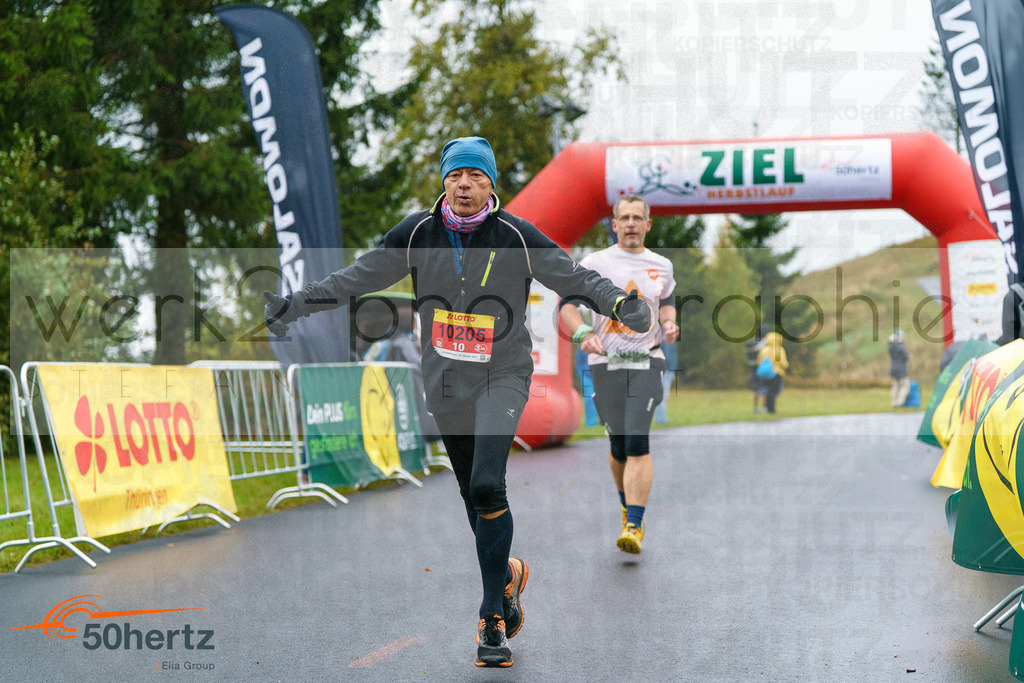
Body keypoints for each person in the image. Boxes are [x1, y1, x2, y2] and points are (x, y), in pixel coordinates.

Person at [262, 136, 650, 668]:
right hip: (446, 381)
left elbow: (571, 276)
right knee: (474, 498)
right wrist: (297, 304)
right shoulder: (419, 232)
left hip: (503, 374)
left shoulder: (514, 234)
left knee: (490, 484)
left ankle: (492, 617)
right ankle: (508, 575)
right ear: (444, 182)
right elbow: (361, 275)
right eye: (454, 175)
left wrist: (620, 303)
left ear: (491, 184)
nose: (463, 184)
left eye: (475, 176)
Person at [558, 194, 678, 555]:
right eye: (623, 218)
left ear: (647, 224)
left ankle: (634, 524)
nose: (629, 224)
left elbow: (668, 301)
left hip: (647, 360)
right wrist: (582, 333)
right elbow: (567, 306)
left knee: (638, 439)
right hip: (605, 362)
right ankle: (627, 503)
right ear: (614, 224)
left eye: (636, 218)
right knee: (619, 445)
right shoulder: (596, 262)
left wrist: (669, 323)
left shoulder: (662, 265)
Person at [756, 331, 788, 414]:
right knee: (773, 392)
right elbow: (783, 362)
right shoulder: (779, 350)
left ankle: (766, 408)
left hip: (765, 374)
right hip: (776, 373)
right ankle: (771, 409)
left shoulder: (764, 350)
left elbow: (759, 361)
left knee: (767, 391)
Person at [745, 323, 769, 413]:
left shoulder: (749, 344)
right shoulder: (763, 344)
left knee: (756, 388)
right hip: (762, 368)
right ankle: (764, 407)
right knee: (764, 387)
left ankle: (755, 408)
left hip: (752, 368)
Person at [653, 339, 677, 424]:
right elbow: (667, 356)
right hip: (666, 371)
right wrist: (670, 370)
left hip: (666, 370)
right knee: (662, 396)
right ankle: (661, 419)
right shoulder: (666, 339)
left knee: (662, 395)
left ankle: (660, 418)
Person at [889, 328, 911, 408]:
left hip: (893, 368)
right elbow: (905, 357)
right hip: (901, 369)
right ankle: (899, 403)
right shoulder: (900, 346)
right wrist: (908, 355)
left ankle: (894, 403)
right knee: (905, 385)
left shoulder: (891, 345)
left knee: (895, 386)